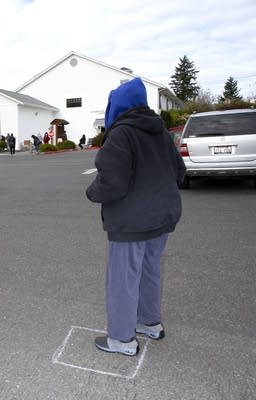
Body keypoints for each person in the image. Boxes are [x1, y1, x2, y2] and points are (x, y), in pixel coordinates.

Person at [86, 77, 186, 356]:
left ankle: (121, 338)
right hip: (162, 216)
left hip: (131, 221)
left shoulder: (121, 134)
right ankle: (149, 322)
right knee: (149, 269)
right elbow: (179, 172)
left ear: (117, 105)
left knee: (123, 278)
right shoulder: (161, 132)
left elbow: (112, 183)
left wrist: (92, 192)